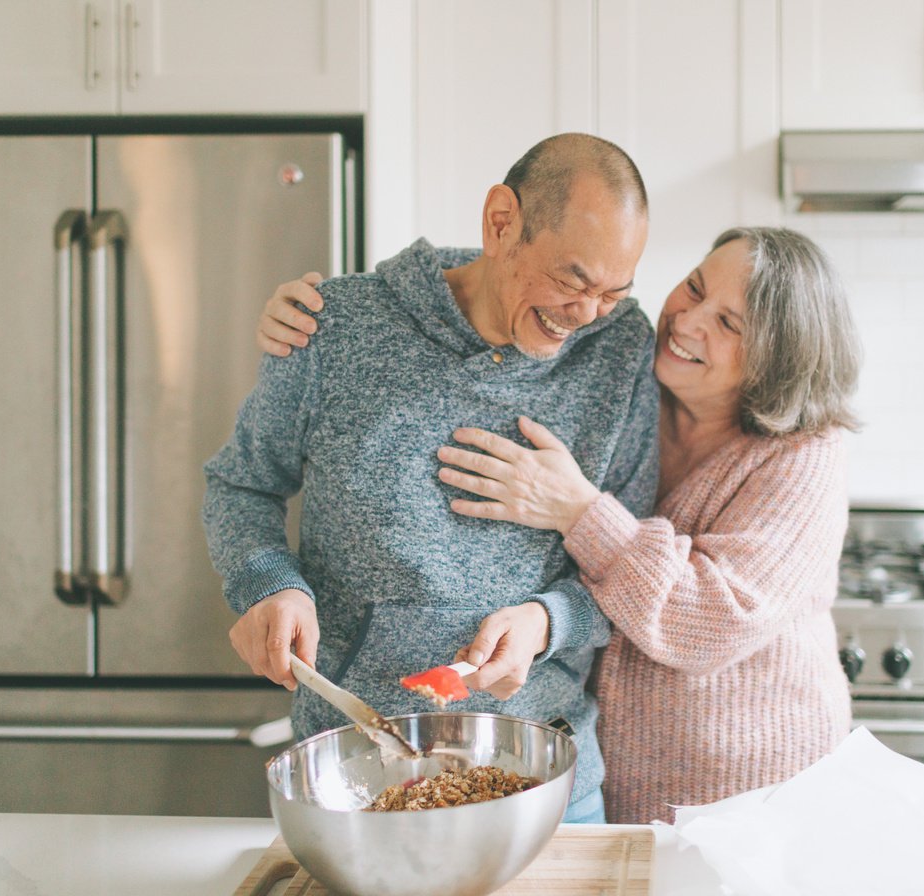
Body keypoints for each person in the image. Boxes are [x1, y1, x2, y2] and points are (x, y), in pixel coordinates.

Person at [257, 226, 862, 824]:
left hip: (755, 794)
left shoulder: (804, 456)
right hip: (615, 776)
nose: (688, 320)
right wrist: (339, 307)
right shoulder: (636, 381)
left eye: (729, 323)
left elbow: (710, 621)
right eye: (695, 287)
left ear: (780, 362)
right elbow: (516, 280)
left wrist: (577, 510)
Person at [202, 133, 660, 825]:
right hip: (355, 774)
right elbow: (242, 485)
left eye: (613, 291)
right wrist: (270, 584)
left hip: (546, 784)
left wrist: (547, 621)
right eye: (572, 281)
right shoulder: (338, 327)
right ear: (501, 221)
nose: (586, 314)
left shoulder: (620, 349)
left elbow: (630, 561)